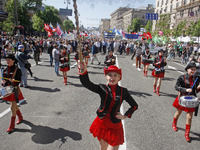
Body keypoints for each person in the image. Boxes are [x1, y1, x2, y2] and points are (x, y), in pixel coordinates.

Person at [79, 64, 138, 150]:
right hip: (102, 123)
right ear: (106, 77)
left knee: (113, 148)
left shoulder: (123, 91)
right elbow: (87, 84)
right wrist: (83, 71)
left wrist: (125, 116)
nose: (112, 78)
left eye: (115, 75)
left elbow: (134, 105)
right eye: (109, 75)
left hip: (115, 125)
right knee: (103, 146)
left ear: (119, 77)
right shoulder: (102, 88)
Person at [172, 62, 200, 142]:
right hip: (182, 98)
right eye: (192, 69)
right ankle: (174, 123)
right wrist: (185, 89)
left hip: (191, 99)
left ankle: (187, 134)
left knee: (189, 117)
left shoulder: (196, 78)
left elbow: (196, 91)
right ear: (187, 69)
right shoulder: (181, 77)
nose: (193, 71)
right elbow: (176, 87)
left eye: (194, 70)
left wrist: (199, 88)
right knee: (178, 113)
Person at [2, 54, 24, 133]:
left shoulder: (17, 69)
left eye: (9, 60)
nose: (7, 61)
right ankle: (20, 117)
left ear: (13, 60)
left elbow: (19, 81)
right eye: (6, 60)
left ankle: (12, 125)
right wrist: (4, 83)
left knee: (12, 107)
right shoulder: (5, 69)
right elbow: (4, 80)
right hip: (7, 90)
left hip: (14, 90)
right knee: (14, 106)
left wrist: (14, 81)